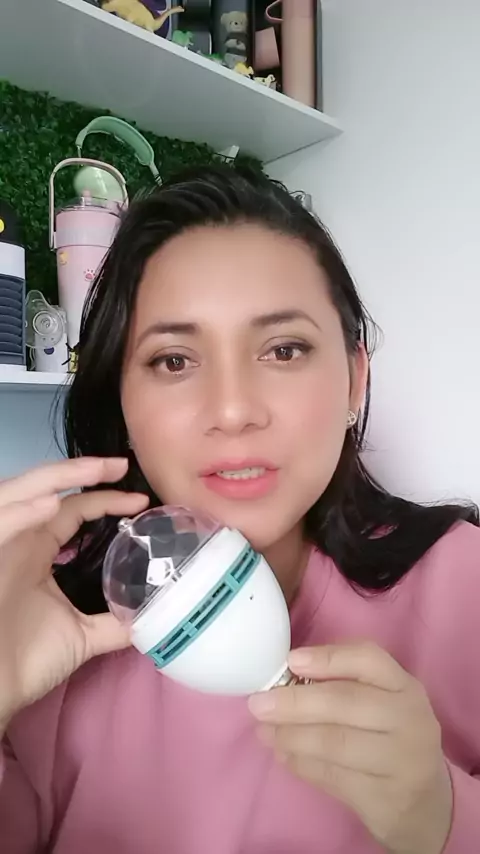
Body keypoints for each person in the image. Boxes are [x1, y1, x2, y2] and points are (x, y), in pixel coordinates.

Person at [0, 164, 479, 854]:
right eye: (173, 361)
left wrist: (444, 815)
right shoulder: (36, 605)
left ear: (355, 380)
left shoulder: (464, 583)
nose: (232, 410)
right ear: (121, 400)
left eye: (283, 350)